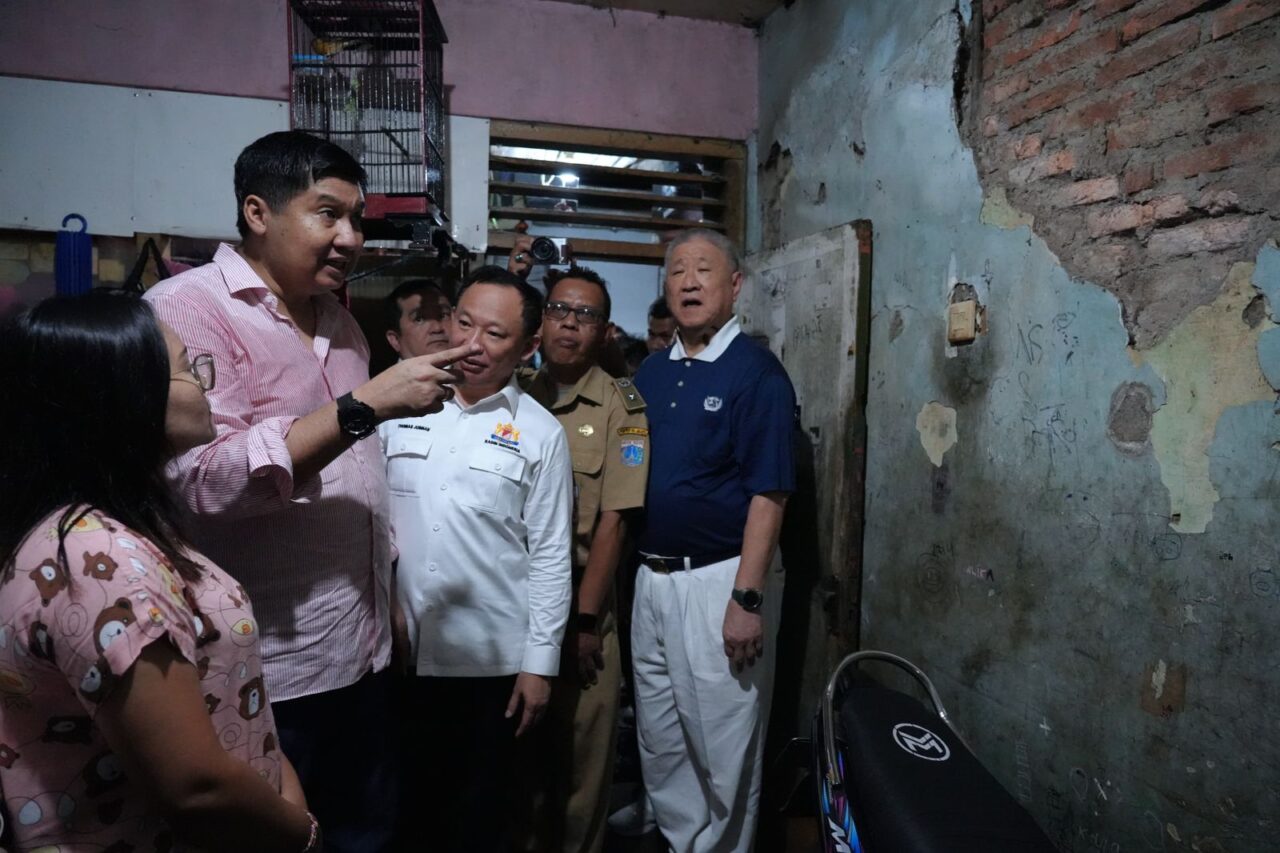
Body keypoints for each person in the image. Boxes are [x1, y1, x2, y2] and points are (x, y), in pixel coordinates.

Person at [143, 130, 477, 852]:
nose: (350, 237)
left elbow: (362, 478)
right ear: (258, 212)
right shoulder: (185, 311)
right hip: (264, 669)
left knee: (366, 833)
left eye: (357, 219)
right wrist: (365, 406)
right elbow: (198, 482)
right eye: (328, 213)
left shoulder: (344, 326)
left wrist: (384, 596)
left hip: (360, 655)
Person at [0, 290, 318, 851]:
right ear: (122, 396)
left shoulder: (114, 528)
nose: (204, 382)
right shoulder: (101, 563)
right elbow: (195, 787)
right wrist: (304, 834)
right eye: (185, 368)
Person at [382, 265, 572, 853]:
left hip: (489, 667)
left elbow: (550, 555)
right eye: (463, 323)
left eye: (494, 333)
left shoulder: (539, 434)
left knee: (480, 818)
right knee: (401, 813)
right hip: (397, 654)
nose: (471, 344)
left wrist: (539, 666)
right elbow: (368, 523)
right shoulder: (393, 405)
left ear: (528, 346)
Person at [630, 228, 796, 852]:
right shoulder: (650, 368)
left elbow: (769, 494)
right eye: (677, 271)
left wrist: (745, 600)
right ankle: (681, 840)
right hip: (651, 580)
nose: (690, 281)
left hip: (718, 582)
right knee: (662, 737)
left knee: (724, 743)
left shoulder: (757, 375)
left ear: (735, 286)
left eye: (705, 270)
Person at [517, 266, 649, 853]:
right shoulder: (511, 390)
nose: (570, 323)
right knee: (521, 768)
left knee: (580, 769)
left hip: (581, 604)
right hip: (512, 604)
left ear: (604, 332)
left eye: (586, 314)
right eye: (559, 310)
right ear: (541, 321)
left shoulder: (623, 408)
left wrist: (586, 621)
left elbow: (614, 523)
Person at [383, 278, 453, 360]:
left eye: (443, 315)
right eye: (419, 319)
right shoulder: (389, 373)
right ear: (395, 340)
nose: (437, 328)